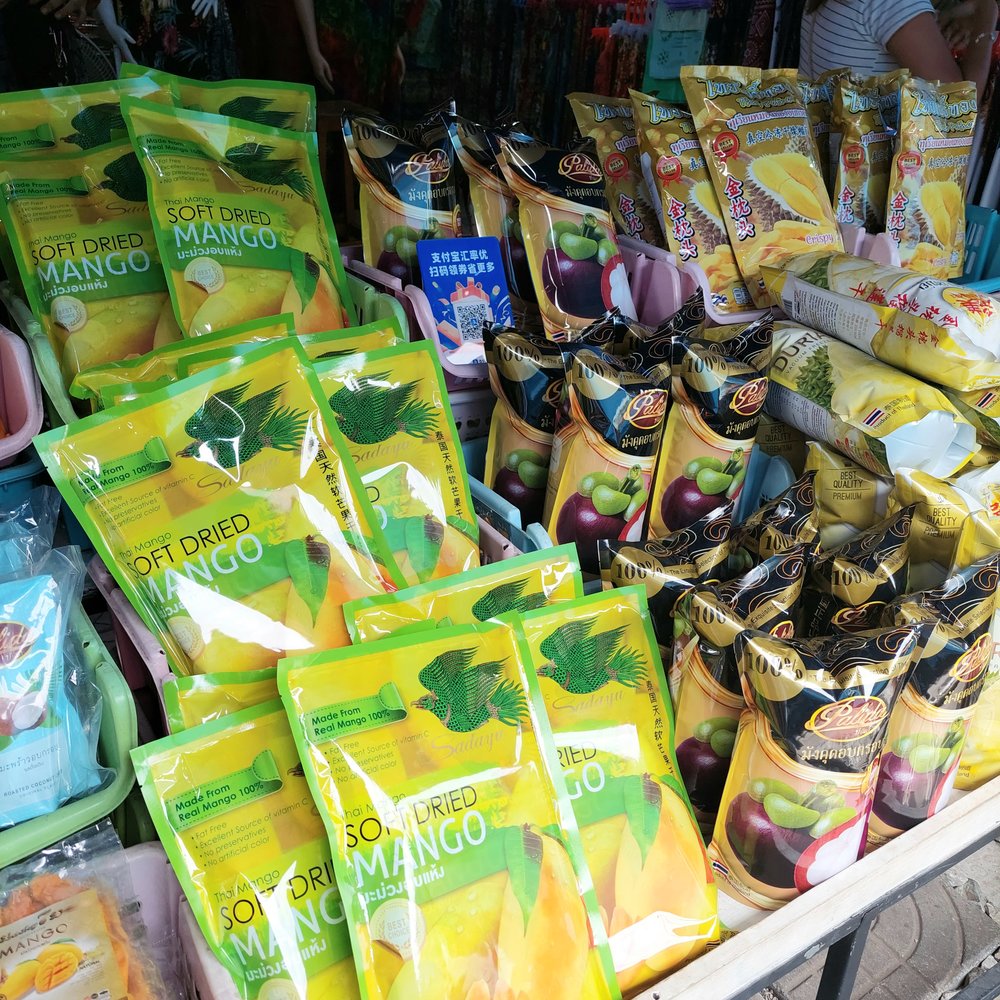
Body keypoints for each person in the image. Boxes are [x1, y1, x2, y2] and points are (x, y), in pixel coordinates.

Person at [800, 0, 997, 99]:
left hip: (820, 159)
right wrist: (987, 13)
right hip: (860, 170)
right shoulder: (893, 3)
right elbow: (960, 104)